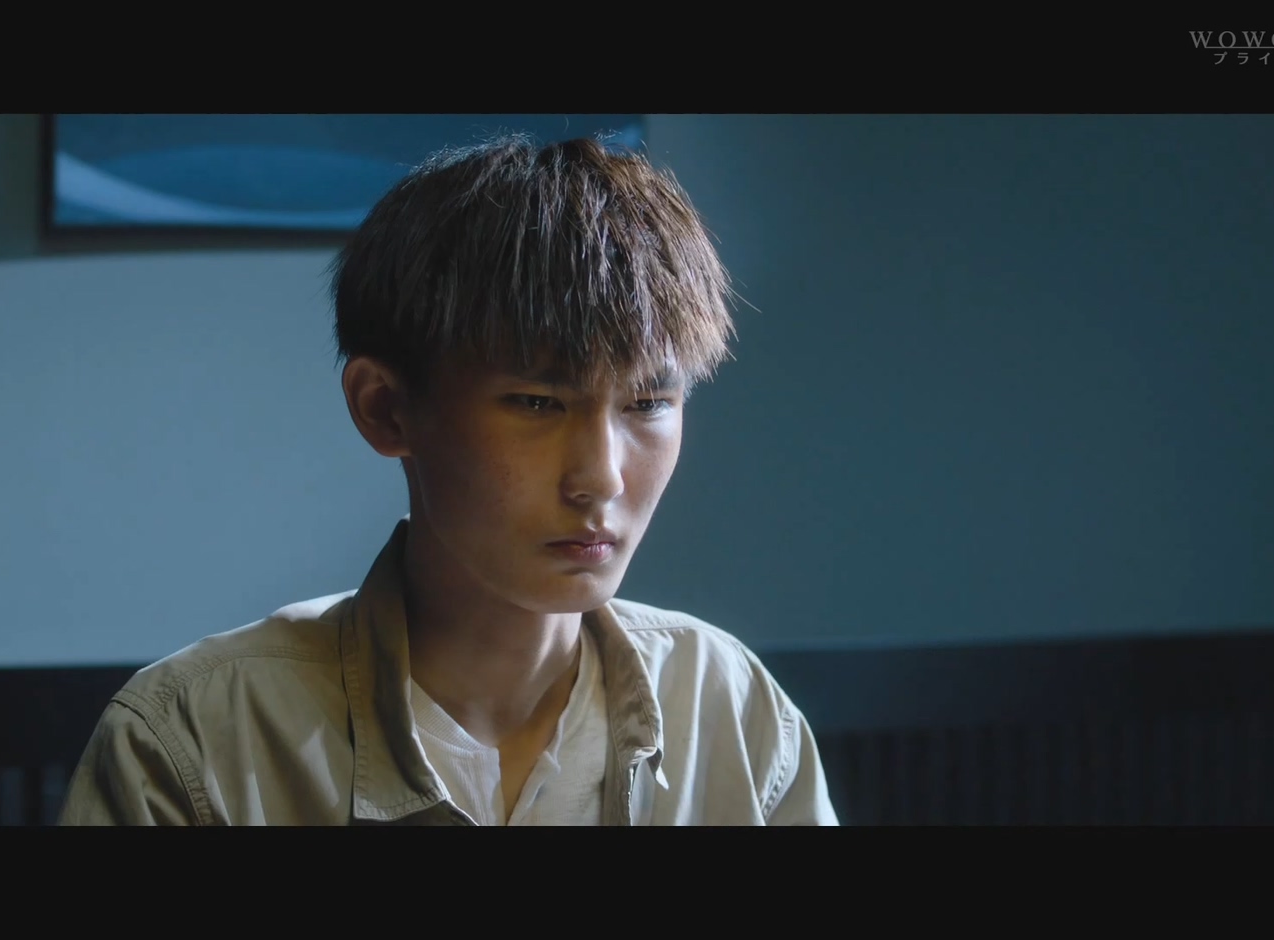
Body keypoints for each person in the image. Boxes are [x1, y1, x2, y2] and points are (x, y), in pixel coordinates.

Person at [58, 134, 839, 825]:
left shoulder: (727, 708)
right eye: (538, 403)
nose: (600, 478)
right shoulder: (194, 741)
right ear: (386, 409)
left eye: (648, 404)